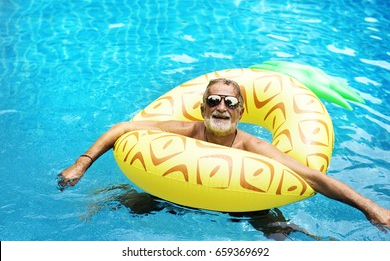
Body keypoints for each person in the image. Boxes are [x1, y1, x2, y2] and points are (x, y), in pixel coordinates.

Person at [58, 78, 390, 230]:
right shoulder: (186, 129)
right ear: (202, 108)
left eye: (229, 102)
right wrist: (81, 164)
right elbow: (122, 129)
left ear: (240, 112)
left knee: (278, 233)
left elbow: (312, 177)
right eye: (214, 100)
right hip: (175, 196)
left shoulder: (253, 146)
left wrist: (371, 208)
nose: (221, 106)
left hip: (243, 207)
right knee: (116, 200)